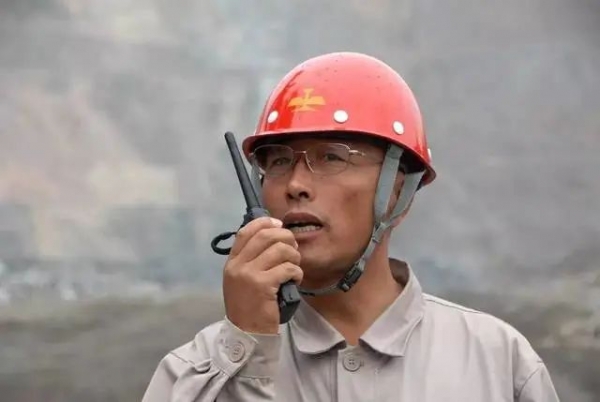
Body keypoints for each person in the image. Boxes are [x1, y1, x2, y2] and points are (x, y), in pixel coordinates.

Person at [141, 52, 560, 401]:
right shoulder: (193, 375)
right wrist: (246, 351)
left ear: (397, 190)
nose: (296, 185)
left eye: (332, 157)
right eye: (279, 161)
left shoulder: (497, 363)